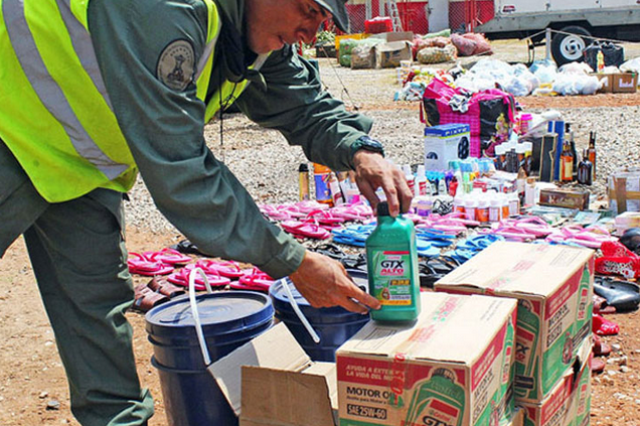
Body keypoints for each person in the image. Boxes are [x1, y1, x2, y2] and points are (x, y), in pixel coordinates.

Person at [0, 0, 412, 424]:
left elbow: (304, 104)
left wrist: (361, 152)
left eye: (321, 21)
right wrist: (292, 260)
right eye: (307, 9)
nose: (312, 32)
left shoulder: (248, 35)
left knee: (98, 328)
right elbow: (182, 171)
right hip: (10, 126)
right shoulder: (165, 9)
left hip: (83, 165)